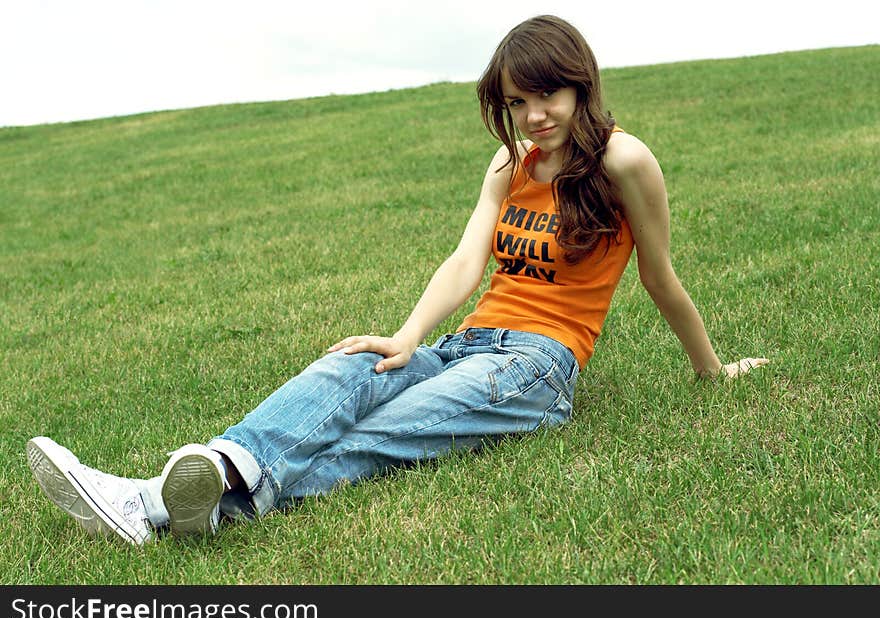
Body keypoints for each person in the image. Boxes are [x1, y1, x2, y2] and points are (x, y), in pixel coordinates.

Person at [27, 15, 768, 546]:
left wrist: (712, 371)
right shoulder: (511, 164)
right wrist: (411, 336)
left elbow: (661, 277)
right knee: (352, 367)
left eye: (547, 96)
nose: (533, 116)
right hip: (469, 340)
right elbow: (464, 263)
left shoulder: (623, 161)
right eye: (516, 102)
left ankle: (149, 503)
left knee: (378, 434)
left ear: (581, 86)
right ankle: (221, 467)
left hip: (537, 369)